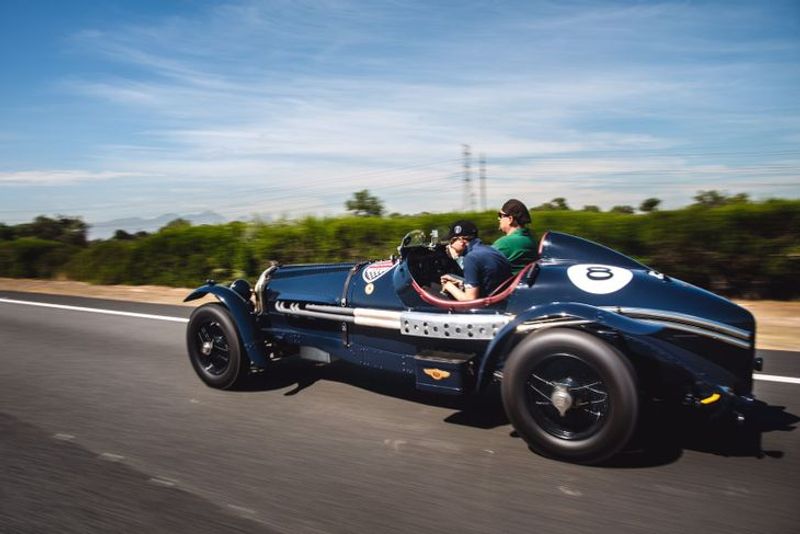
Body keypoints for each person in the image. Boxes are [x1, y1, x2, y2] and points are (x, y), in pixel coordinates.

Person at [440, 220, 512, 301]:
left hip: (491, 306)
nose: (449, 245)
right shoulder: (491, 250)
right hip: (504, 300)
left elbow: (470, 299)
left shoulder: (471, 258)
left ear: (461, 241)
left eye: (451, 242)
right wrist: (462, 282)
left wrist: (448, 285)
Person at [493, 198, 537, 273]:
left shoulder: (505, 243)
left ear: (510, 219)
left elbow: (482, 261)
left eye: (501, 215)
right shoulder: (531, 240)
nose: (498, 218)